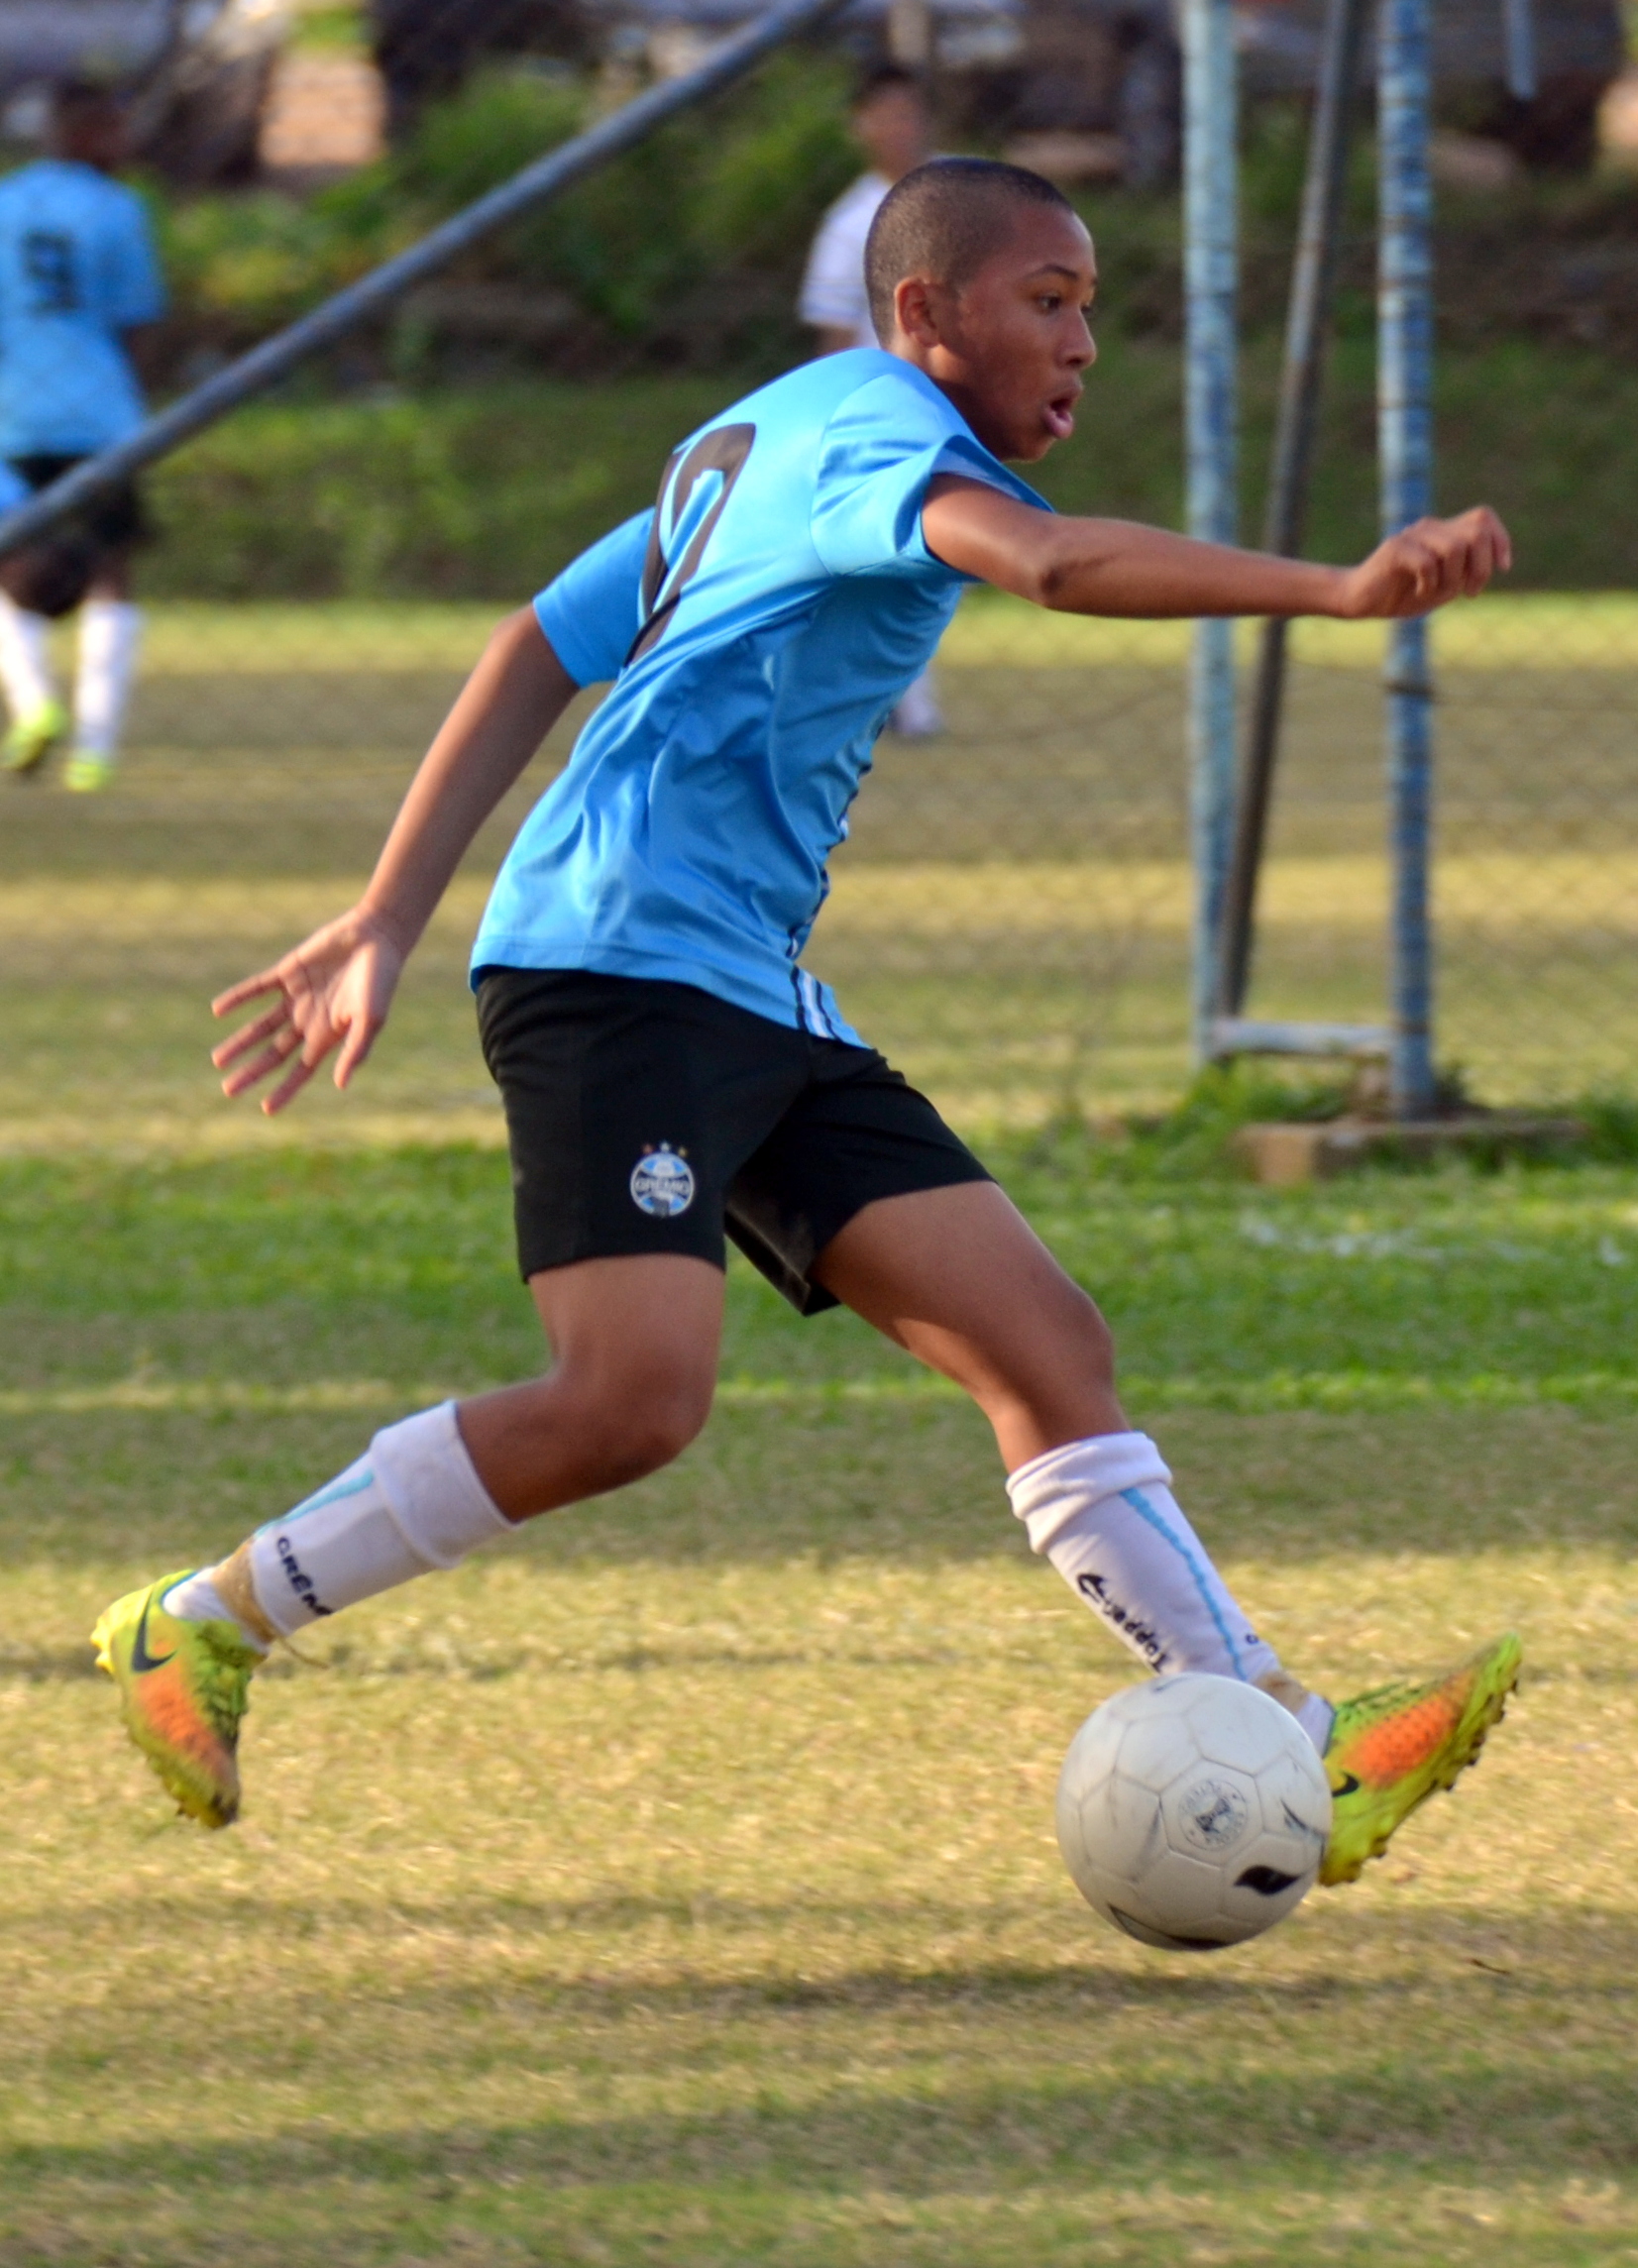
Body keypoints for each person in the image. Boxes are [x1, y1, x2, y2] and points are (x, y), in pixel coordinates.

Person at [93, 160, 1520, 1889]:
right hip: (613, 970)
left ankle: (1291, 1734)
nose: (1081, 342)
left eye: (1088, 306)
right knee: (630, 1398)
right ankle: (198, 1620)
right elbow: (1054, 563)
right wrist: (1337, 588)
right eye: (1045, 301)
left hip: (744, 983)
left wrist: (392, 911)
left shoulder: (768, 427)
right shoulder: (877, 443)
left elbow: (538, 638)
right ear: (923, 312)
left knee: (1042, 1344)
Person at [0, 80, 166, 794]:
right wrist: (141, 396)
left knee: (8, 562)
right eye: (113, 129)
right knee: (110, 569)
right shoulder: (115, 207)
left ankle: (34, 705)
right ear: (82, 129)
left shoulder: (5, 203)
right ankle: (95, 747)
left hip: (13, 414)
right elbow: (138, 317)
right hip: (101, 415)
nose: (123, 144)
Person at [801, 63, 943, 737]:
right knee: (891, 554)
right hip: (881, 413)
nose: (899, 127)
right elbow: (833, 334)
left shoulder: (960, 200)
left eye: (909, 111)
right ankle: (899, 703)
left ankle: (894, 698)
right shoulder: (849, 223)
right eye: (885, 114)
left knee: (925, 555)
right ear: (860, 126)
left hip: (950, 409)